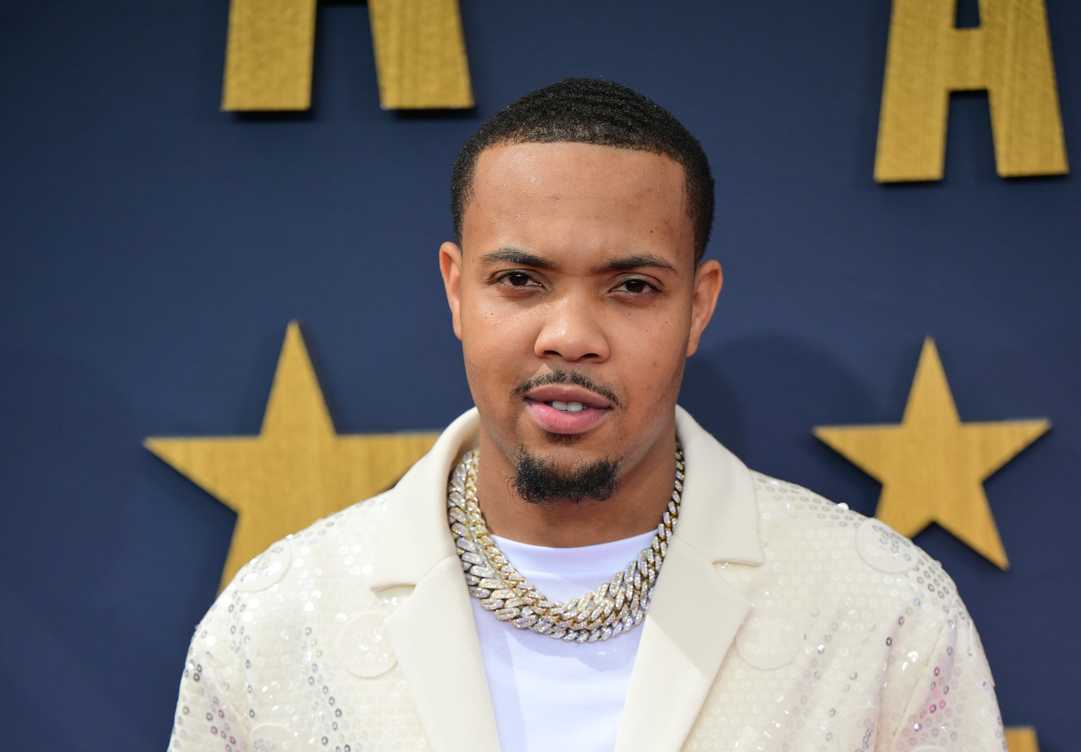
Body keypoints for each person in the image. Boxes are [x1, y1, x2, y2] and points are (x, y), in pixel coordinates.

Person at [167, 79, 1005, 751]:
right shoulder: (277, 623)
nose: (569, 336)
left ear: (698, 306)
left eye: (632, 287)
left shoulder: (882, 611)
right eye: (520, 282)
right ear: (457, 288)